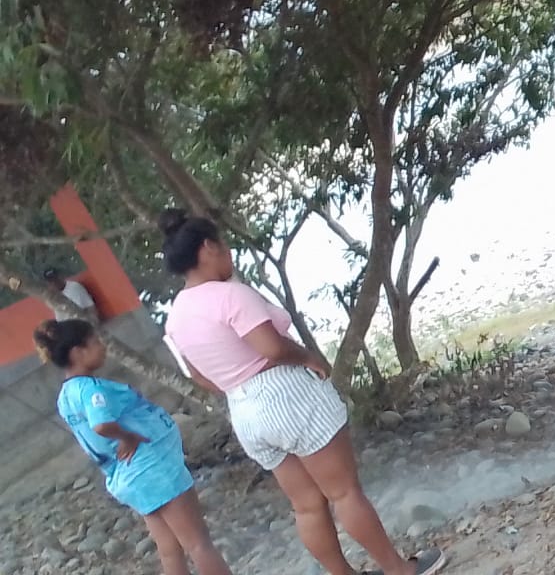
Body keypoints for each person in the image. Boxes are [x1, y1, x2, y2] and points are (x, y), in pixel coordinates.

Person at [157, 209, 447, 575]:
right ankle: (399, 570)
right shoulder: (230, 295)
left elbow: (200, 377)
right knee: (344, 492)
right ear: (208, 248)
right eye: (224, 246)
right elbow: (271, 348)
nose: (229, 254)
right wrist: (308, 357)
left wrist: (237, 381)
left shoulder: (175, 319)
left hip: (244, 411)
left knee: (307, 506)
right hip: (286, 395)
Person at [34, 319, 231, 575]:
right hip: (151, 468)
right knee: (198, 543)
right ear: (77, 352)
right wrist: (128, 437)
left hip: (128, 475)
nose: (102, 347)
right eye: (95, 342)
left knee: (169, 548)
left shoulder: (65, 396)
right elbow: (101, 425)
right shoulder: (91, 389)